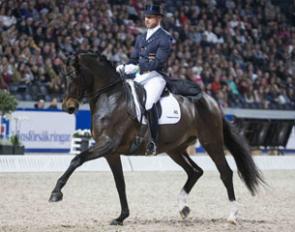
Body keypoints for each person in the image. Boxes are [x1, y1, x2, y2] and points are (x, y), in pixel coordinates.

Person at [116, 3, 173, 155]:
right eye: (146, 17)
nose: (146, 20)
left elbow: (157, 62)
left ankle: (153, 141)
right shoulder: (141, 37)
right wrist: (125, 67)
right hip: (140, 76)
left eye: (150, 17)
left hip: (156, 77)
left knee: (148, 103)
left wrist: (137, 66)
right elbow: (134, 58)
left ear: (158, 19)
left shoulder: (165, 38)